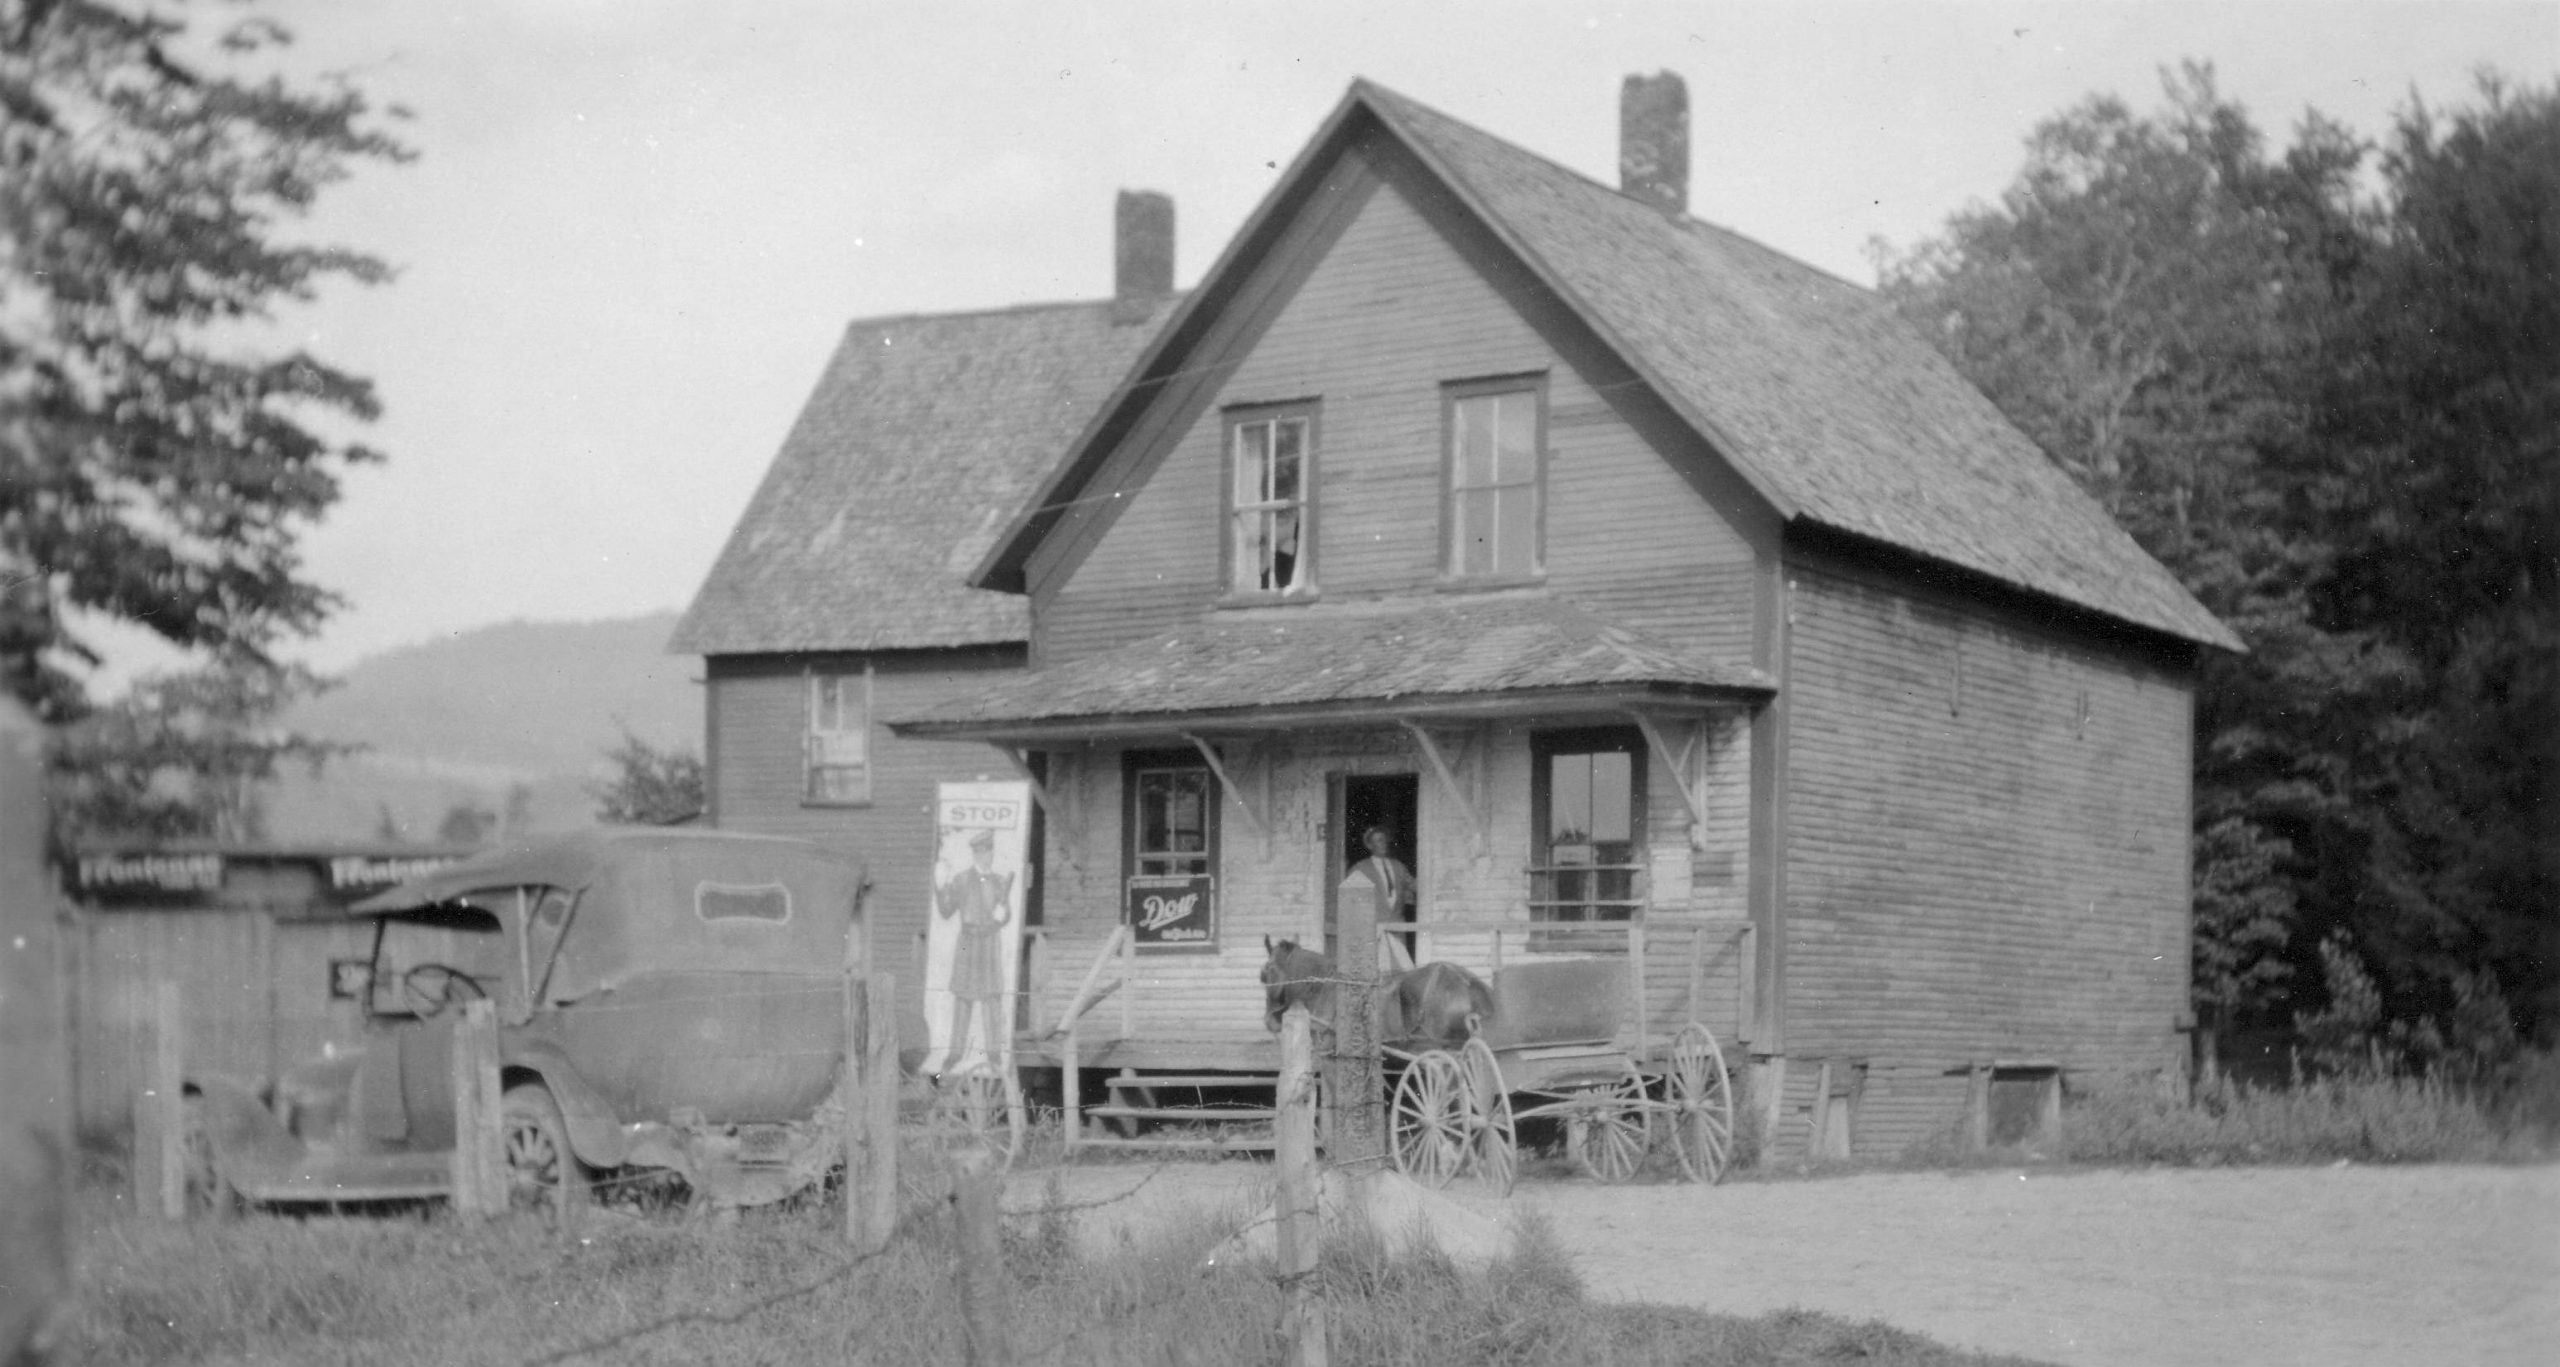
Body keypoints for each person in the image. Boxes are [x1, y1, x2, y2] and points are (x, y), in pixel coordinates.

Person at [934, 827, 1013, 1073]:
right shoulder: (960, 880)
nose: (983, 856)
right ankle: (955, 1054)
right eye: (979, 852)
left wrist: (1003, 916)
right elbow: (946, 911)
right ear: (974, 854)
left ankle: (994, 1055)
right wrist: (939, 886)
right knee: (963, 999)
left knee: (991, 999)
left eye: (987, 851)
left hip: (989, 943)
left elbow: (1005, 914)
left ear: (992, 852)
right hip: (968, 942)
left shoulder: (1001, 882)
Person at [1351, 825, 1416, 919]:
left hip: (1397, 925)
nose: (1384, 843)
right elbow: (1349, 896)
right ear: (1370, 846)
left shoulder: (1399, 866)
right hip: (1373, 926)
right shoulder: (1360, 868)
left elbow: (1416, 886)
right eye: (1379, 840)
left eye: (1385, 840)